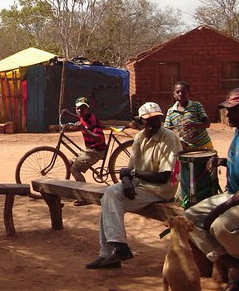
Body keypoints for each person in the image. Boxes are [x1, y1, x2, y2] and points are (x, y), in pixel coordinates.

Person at [183, 88, 239, 291]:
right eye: (227, 110)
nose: (228, 115)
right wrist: (221, 160)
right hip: (232, 193)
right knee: (187, 219)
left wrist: (221, 208)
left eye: (233, 111)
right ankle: (232, 263)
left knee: (220, 226)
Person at [86, 102, 181, 269]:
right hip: (141, 186)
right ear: (141, 122)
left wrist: (132, 175)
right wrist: (127, 180)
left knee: (111, 197)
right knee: (109, 198)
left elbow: (163, 176)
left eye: (156, 119)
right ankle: (111, 252)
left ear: (161, 119)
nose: (153, 123)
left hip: (160, 190)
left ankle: (115, 249)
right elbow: (128, 169)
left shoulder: (169, 138)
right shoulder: (140, 138)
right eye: (148, 120)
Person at [60, 96, 108, 181]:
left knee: (75, 169)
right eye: (77, 108)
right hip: (90, 150)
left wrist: (83, 128)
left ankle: (83, 190)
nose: (79, 111)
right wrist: (69, 114)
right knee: (69, 162)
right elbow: (80, 117)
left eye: (82, 108)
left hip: (97, 151)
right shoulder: (84, 117)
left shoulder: (92, 120)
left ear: (87, 109)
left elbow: (99, 139)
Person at [164, 81, 213, 151]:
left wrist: (193, 124)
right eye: (178, 92)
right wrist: (179, 141)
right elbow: (167, 130)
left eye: (183, 92)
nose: (180, 94)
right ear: (174, 94)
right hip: (187, 149)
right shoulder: (170, 112)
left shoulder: (196, 105)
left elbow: (207, 124)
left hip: (204, 145)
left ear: (189, 94)